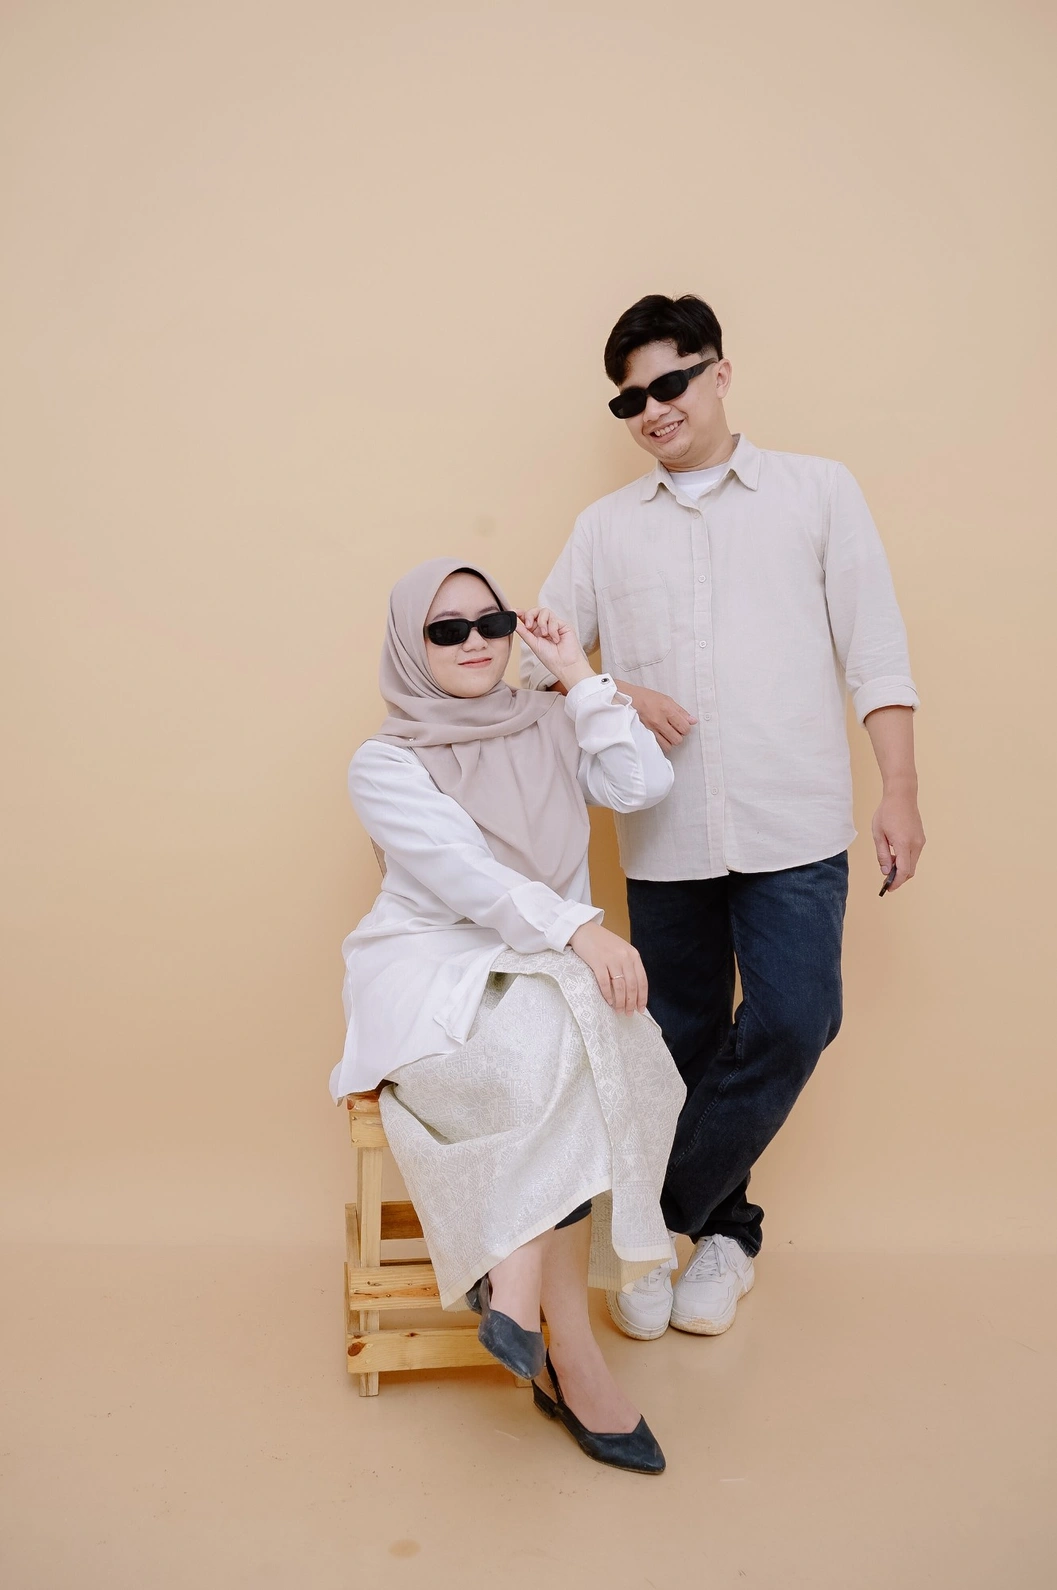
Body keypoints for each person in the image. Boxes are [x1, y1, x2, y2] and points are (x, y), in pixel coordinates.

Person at [522, 293, 925, 1342]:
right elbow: (534, 660)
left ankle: (646, 1226)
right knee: (678, 1042)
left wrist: (899, 789)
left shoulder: (817, 492)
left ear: (719, 372)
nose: (653, 409)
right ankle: (728, 1237)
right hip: (667, 836)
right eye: (630, 400)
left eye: (670, 382)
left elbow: (875, 650)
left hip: (795, 821)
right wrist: (612, 688)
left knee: (794, 1020)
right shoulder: (605, 529)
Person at [331, 557, 686, 1473]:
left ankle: (516, 1292)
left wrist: (575, 675)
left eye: (490, 623)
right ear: (410, 646)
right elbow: (468, 880)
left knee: (576, 1032)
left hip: (545, 961)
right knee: (578, 1035)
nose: (474, 643)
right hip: (432, 969)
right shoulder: (386, 761)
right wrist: (582, 932)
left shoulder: (552, 720)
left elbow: (641, 784)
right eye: (445, 630)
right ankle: (573, 1355)